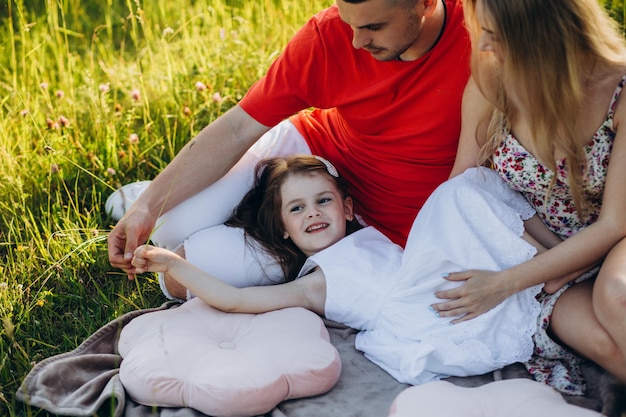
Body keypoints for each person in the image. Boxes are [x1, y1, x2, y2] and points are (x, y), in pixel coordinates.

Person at [107, 0, 472, 299]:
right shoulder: (330, 35)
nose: (357, 42)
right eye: (350, 24)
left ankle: (239, 216)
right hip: (307, 156)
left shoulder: (482, 38)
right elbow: (237, 128)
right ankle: (150, 195)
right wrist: (148, 207)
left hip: (363, 227)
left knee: (178, 275)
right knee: (167, 226)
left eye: (374, 27)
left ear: (424, 3)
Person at [131, 154, 560, 385]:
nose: (313, 213)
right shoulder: (317, 282)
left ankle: (557, 258)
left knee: (465, 187)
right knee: (457, 192)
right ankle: (556, 263)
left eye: (323, 201)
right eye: (297, 209)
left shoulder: (369, 234)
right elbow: (239, 299)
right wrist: (174, 265)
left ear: (347, 208)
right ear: (284, 229)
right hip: (422, 315)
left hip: (435, 279)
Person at [437, 0, 626, 399]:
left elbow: (615, 223)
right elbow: (466, 186)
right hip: (541, 256)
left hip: (615, 239)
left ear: (543, 35)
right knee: (604, 345)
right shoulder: (493, 80)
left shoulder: (619, 90)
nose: (485, 46)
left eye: (497, 35)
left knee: (616, 299)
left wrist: (504, 284)